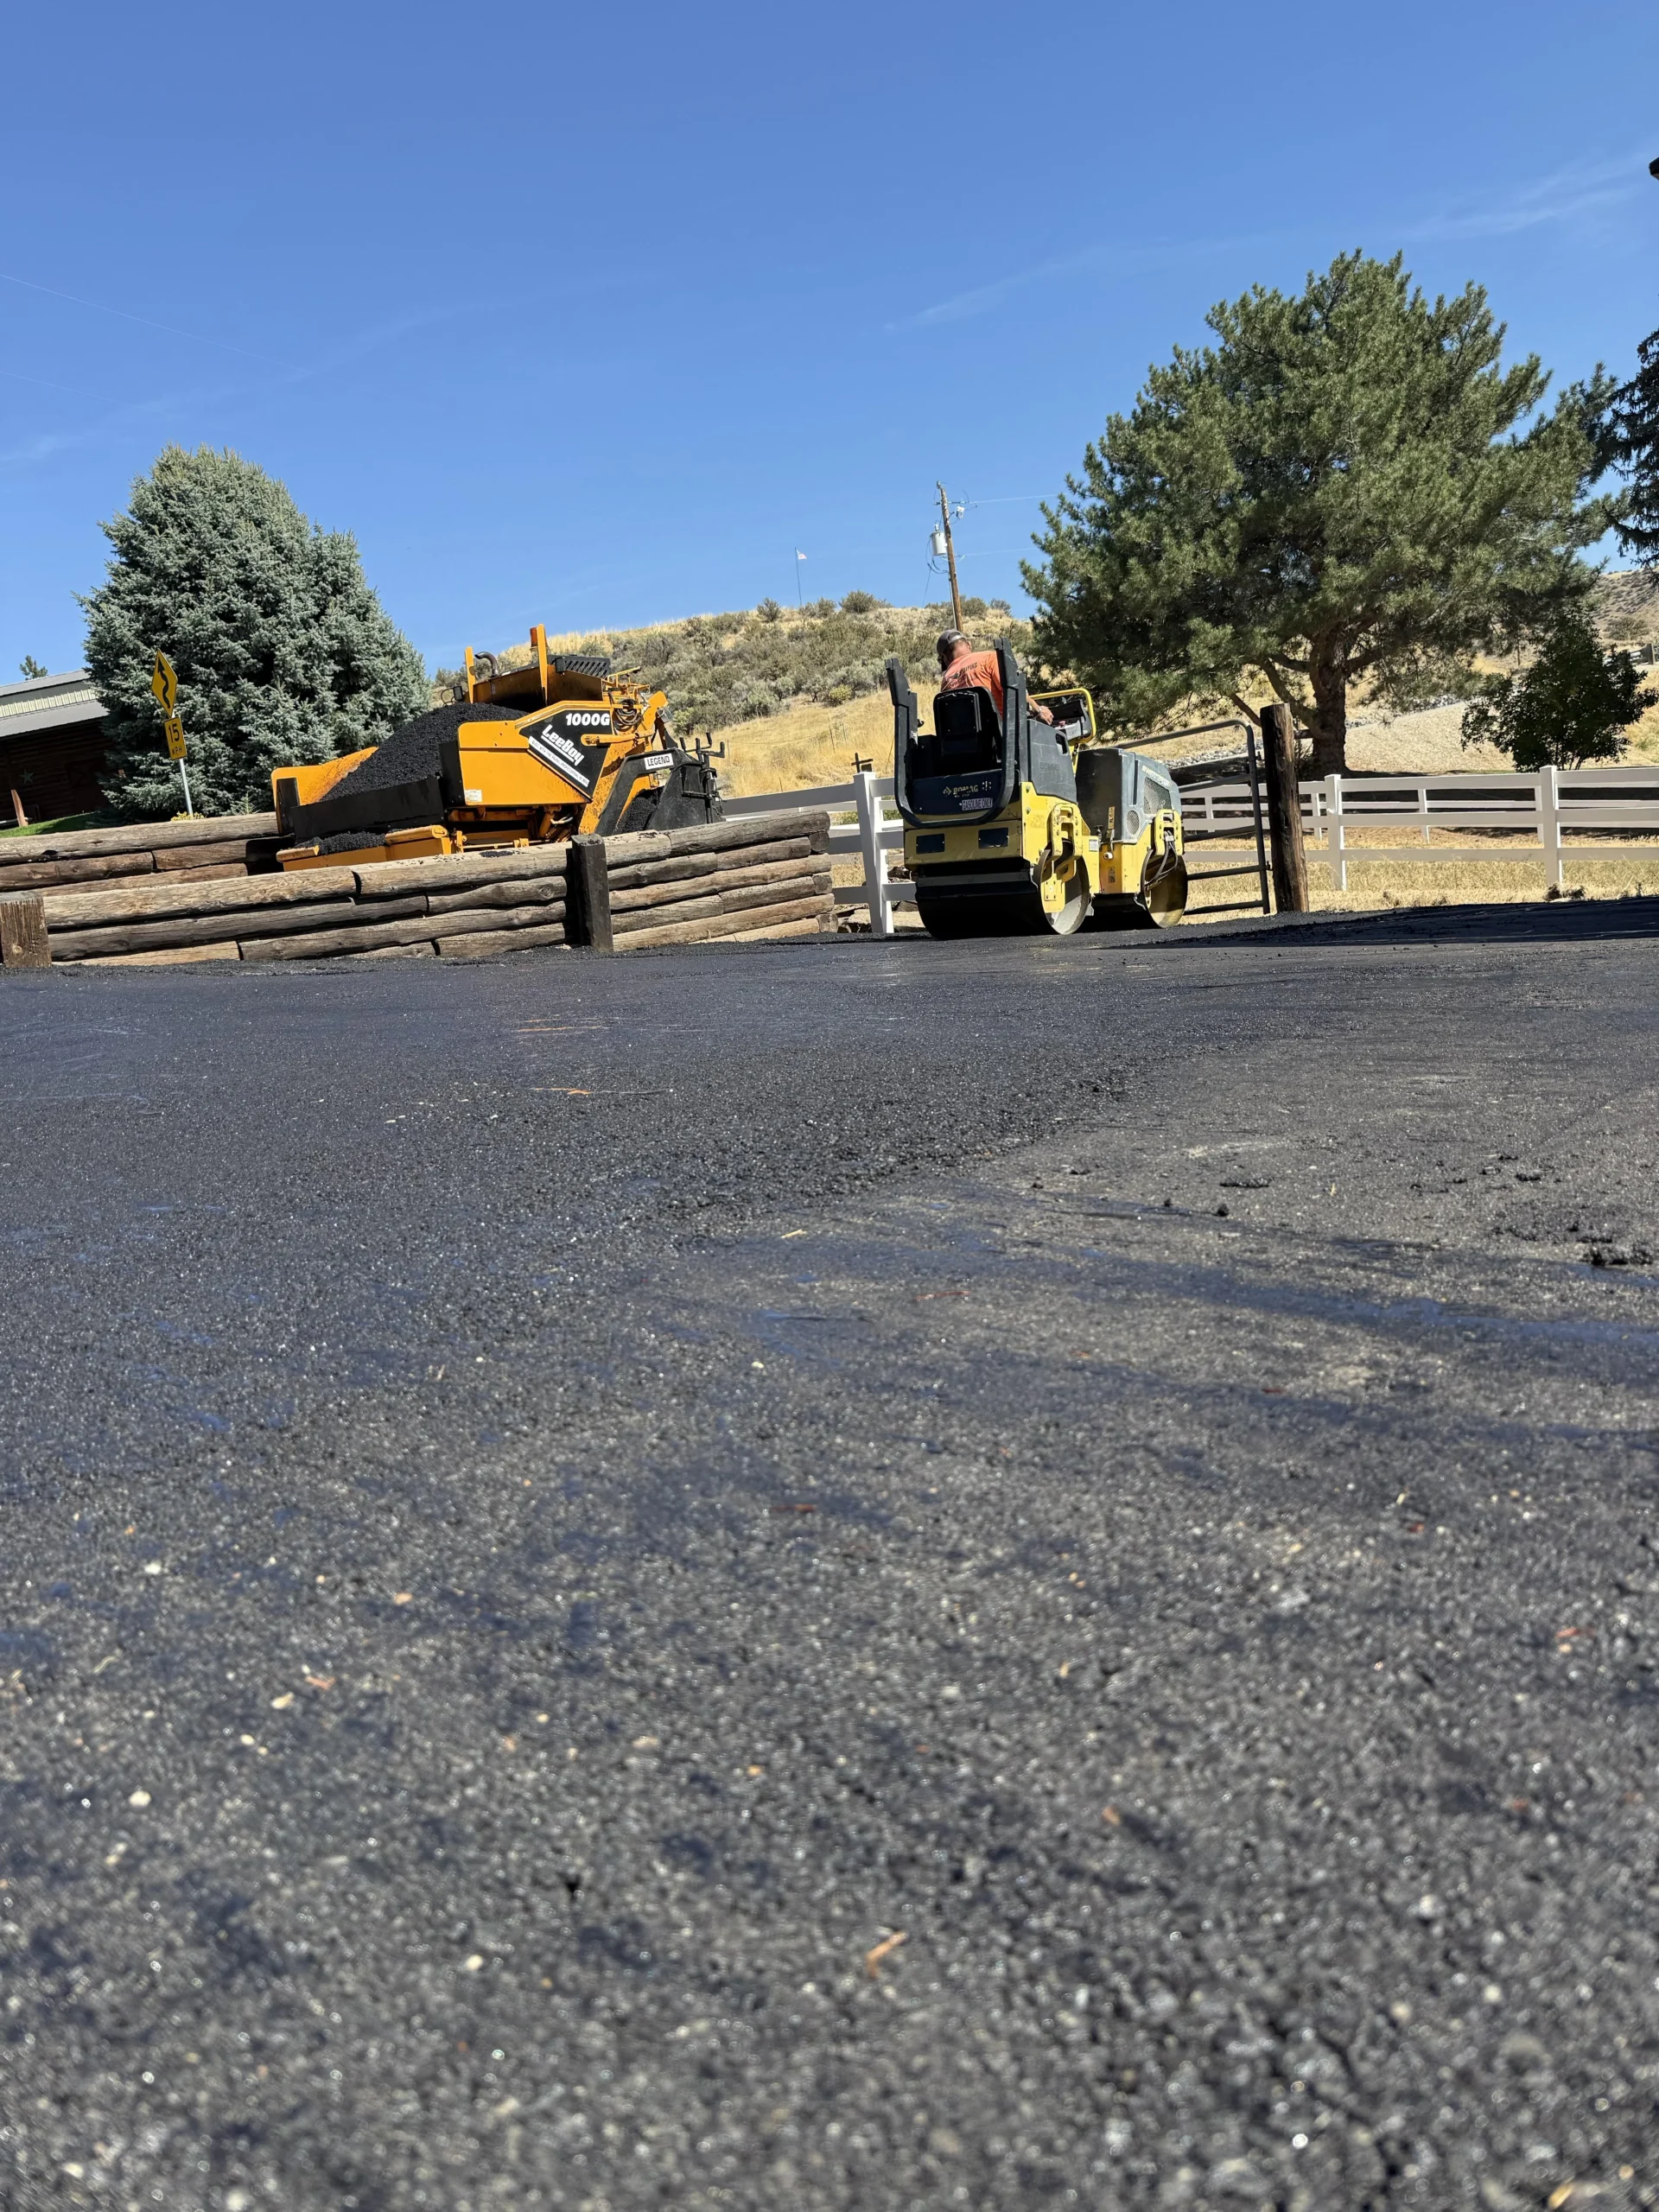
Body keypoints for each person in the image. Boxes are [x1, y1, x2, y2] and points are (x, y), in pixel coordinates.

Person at [936, 632, 1053, 722]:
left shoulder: (946, 681)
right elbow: (1015, 694)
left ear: (945, 658)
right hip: (999, 740)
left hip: (964, 747)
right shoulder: (989, 658)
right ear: (969, 645)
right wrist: (1039, 711)